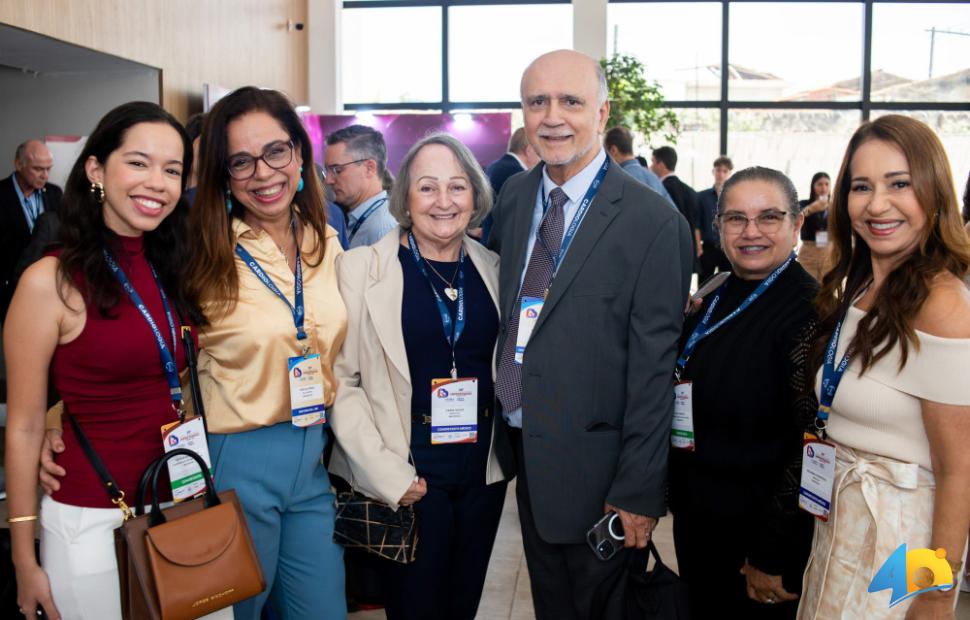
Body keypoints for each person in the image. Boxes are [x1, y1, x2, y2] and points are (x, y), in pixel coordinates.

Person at [488, 49, 692, 620]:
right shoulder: (516, 198)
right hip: (527, 455)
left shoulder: (653, 223)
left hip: (602, 474)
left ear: (601, 112)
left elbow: (654, 374)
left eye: (570, 102)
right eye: (537, 102)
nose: (552, 116)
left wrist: (637, 491)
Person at [5, 102, 204, 620]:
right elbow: (23, 426)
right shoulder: (49, 282)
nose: (157, 182)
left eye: (172, 169)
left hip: (180, 507)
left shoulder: (172, 265)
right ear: (96, 169)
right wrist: (23, 560)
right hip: (91, 521)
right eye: (138, 163)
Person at [329, 132, 509, 619]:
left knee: (462, 607)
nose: (444, 201)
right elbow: (342, 385)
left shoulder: (492, 269)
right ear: (404, 196)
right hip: (410, 479)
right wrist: (389, 475)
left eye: (457, 187)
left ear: (475, 194)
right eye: (428, 187)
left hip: (481, 477)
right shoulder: (361, 270)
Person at [798, 114, 970, 618]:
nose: (877, 204)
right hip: (840, 526)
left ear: (934, 192)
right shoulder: (859, 285)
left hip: (901, 541)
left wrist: (935, 596)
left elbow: (959, 470)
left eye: (899, 184)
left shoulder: (943, 305)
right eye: (861, 186)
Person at [187, 86, 347, 619]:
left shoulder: (325, 242)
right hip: (236, 460)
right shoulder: (201, 255)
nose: (263, 172)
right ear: (223, 175)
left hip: (314, 460)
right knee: (238, 612)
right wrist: (57, 418)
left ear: (299, 153)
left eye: (276, 151)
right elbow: (145, 355)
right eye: (241, 161)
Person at [669, 167, 817, 619]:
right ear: (718, 227)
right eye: (735, 218)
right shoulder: (716, 291)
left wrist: (772, 554)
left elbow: (809, 447)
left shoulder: (809, 311)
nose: (751, 232)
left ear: (796, 225)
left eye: (768, 217)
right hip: (700, 521)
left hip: (758, 541)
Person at [0, 140, 62, 321]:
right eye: (38, 169)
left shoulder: (54, 193)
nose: (45, 175)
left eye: (48, 169)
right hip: (10, 291)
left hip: (47, 289)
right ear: (19, 164)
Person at [324, 124, 397, 248]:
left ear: (369, 168)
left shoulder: (383, 230)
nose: (328, 180)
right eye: (327, 171)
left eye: (337, 170)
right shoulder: (357, 219)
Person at [478, 128, 540, 243]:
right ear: (530, 150)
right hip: (503, 247)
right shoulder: (517, 173)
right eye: (540, 151)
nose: (542, 158)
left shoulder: (496, 165)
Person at [651, 145, 702, 267]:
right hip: (689, 251)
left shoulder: (661, 191)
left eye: (653, 162)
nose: (650, 167)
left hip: (669, 253)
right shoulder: (690, 190)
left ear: (661, 164)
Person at [603, 126, 673, 206]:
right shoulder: (653, 178)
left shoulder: (616, 180)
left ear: (613, 150)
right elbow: (675, 215)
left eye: (605, 151)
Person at [696, 155, 734, 282]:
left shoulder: (735, 197)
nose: (721, 174)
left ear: (730, 173)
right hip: (708, 246)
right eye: (718, 170)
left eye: (725, 171)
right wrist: (698, 246)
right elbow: (697, 223)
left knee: (728, 282)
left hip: (728, 246)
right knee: (704, 283)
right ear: (713, 171)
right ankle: (703, 303)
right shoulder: (702, 196)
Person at [796, 172, 831, 281]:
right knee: (807, 286)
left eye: (827, 184)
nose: (823, 188)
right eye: (820, 184)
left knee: (826, 289)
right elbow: (793, 219)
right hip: (809, 251)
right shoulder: (804, 204)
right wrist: (811, 209)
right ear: (813, 186)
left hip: (829, 252)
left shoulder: (835, 206)